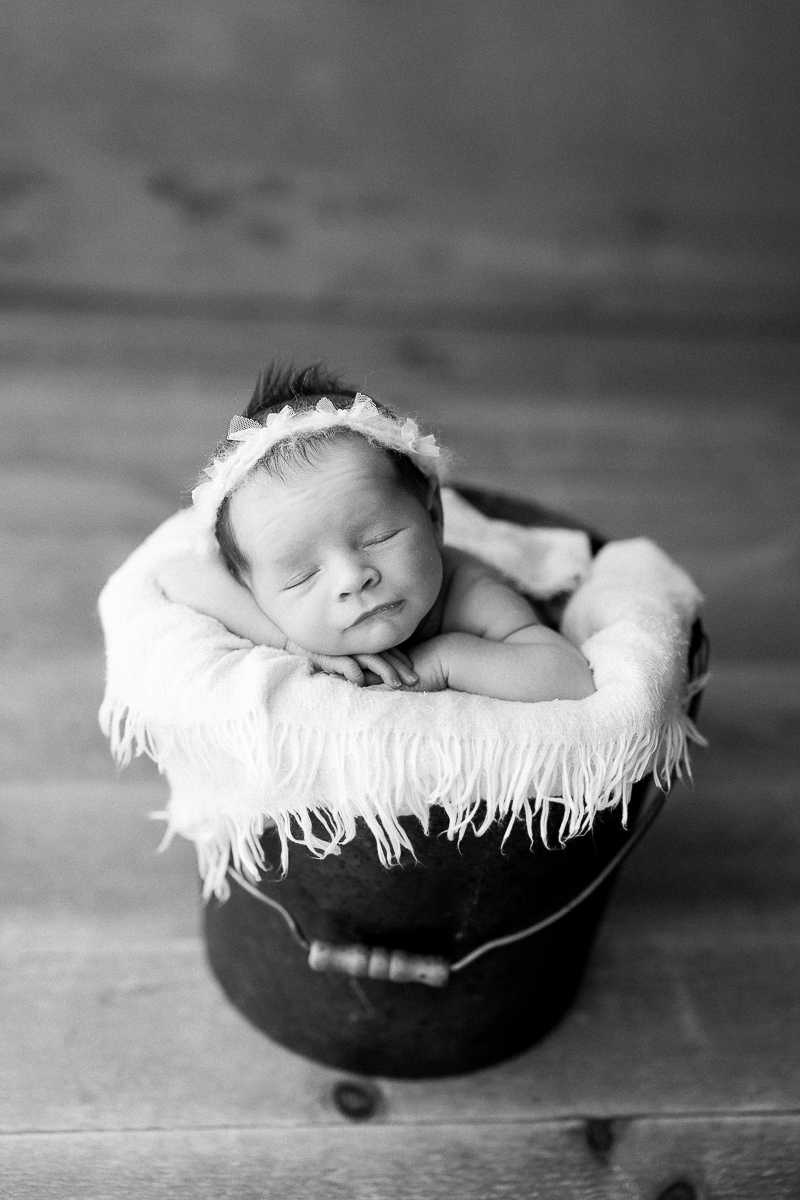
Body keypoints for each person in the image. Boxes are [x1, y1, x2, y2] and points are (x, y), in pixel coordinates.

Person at [157, 365, 595, 702]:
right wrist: (289, 642)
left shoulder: (468, 594)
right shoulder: (270, 600)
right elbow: (177, 573)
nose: (352, 578)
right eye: (302, 576)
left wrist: (443, 659)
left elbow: (567, 675)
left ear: (434, 515)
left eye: (378, 538)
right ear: (249, 585)